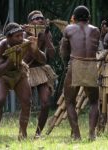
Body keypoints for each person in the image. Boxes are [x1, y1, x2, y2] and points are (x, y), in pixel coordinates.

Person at [0, 22, 44, 141]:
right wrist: (10, 60)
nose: (21, 38)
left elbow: (43, 60)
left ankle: (22, 133)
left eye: (21, 35)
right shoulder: (0, 46)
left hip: (19, 73)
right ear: (8, 37)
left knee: (26, 101)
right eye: (17, 36)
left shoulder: (25, 43)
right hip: (3, 75)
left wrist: (36, 50)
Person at [60, 5, 100, 141]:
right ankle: (91, 134)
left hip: (75, 63)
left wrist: (67, 65)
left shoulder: (69, 29)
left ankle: (77, 136)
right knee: (94, 102)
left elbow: (64, 51)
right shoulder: (96, 30)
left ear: (74, 18)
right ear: (89, 18)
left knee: (70, 102)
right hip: (91, 64)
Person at [23, 10, 57, 138]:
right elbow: (23, 58)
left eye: (41, 18)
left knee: (45, 103)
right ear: (29, 22)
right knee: (26, 103)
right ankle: (23, 132)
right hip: (26, 70)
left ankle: (38, 134)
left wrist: (46, 36)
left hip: (41, 70)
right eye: (35, 18)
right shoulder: (22, 34)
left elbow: (52, 55)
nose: (39, 20)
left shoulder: (46, 33)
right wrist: (28, 38)